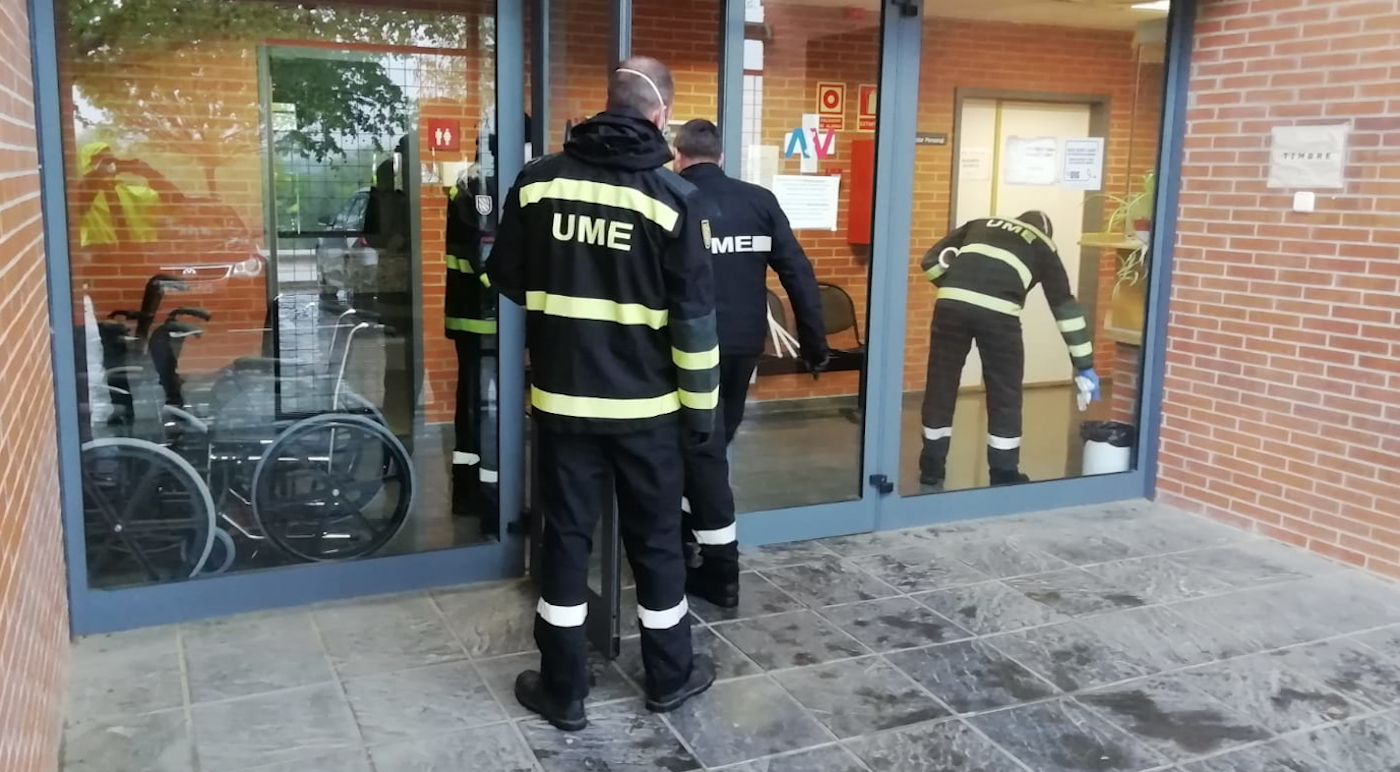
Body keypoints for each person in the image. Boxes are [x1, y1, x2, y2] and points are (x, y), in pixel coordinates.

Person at [488, 56, 718, 731]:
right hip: (649, 414)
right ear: (661, 115)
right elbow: (695, 325)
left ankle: (564, 691)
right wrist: (701, 416)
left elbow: (506, 276)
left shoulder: (536, 184)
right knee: (655, 543)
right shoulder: (675, 200)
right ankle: (669, 678)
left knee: (564, 541)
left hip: (563, 406)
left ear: (605, 103)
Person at [668, 119, 829, 607]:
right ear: (720, 154)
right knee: (711, 444)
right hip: (741, 346)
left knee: (695, 449)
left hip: (681, 349)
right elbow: (797, 271)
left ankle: (708, 559)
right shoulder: (758, 201)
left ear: (679, 155)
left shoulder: (670, 195)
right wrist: (814, 341)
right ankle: (700, 547)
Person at [918, 211, 1100, 489]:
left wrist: (961, 290)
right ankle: (1003, 472)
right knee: (1005, 391)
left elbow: (930, 261)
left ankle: (931, 467)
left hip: (950, 305)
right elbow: (1064, 307)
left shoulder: (978, 224)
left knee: (941, 384)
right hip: (999, 314)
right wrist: (1084, 363)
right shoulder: (1042, 245)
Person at [444, 114, 531, 536]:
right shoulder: (484, 187)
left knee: (474, 409)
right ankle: (491, 503)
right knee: (489, 410)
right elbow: (487, 260)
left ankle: (467, 491)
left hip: (476, 317)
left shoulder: (471, 181)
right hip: (487, 318)